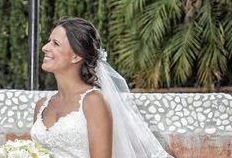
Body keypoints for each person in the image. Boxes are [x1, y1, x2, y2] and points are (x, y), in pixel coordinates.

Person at [31, 17, 173, 158]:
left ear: (76, 56)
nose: (45, 47)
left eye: (55, 43)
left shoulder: (93, 101)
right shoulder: (41, 105)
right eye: (48, 41)